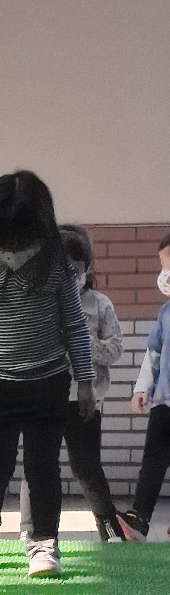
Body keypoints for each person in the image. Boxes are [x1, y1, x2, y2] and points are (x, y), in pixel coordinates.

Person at [0, 172, 95, 577]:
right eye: (6, 239)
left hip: (48, 384)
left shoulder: (56, 267)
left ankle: (43, 544)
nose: (14, 249)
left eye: (23, 239)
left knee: (43, 468)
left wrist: (85, 382)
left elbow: (74, 325)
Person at [18, 226, 125, 542]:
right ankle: (29, 530)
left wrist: (83, 341)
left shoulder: (99, 304)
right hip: (45, 397)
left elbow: (115, 349)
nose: (69, 276)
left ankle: (109, 528)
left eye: (75, 270)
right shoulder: (40, 300)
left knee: (87, 467)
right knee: (37, 465)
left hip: (84, 401)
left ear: (86, 269)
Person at [119, 231, 170, 539]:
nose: (165, 274)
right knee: (152, 460)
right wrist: (142, 389)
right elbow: (153, 353)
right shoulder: (165, 312)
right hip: (164, 401)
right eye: (163, 266)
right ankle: (139, 519)